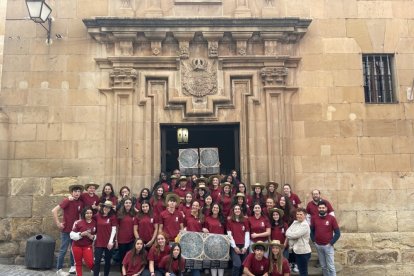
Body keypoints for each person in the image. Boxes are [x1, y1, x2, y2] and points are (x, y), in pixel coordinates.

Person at [52, 184, 84, 275]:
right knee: (63, 250)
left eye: (78, 191)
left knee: (73, 249)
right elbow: (54, 210)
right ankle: (59, 269)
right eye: (75, 191)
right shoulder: (67, 201)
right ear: (71, 193)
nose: (77, 193)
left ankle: (72, 267)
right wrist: (58, 223)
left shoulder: (80, 203)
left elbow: (80, 216)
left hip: (75, 231)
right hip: (66, 230)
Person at [310, 201, 340, 276]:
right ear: (318, 208)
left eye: (323, 208)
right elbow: (311, 231)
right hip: (318, 246)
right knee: (323, 266)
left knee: (331, 267)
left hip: (328, 246)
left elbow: (338, 233)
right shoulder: (314, 218)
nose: (321, 209)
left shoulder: (331, 218)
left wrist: (330, 243)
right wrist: (314, 242)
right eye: (320, 208)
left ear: (326, 208)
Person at [93, 200, 118, 276]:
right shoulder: (97, 216)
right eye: (105, 207)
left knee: (107, 261)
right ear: (102, 207)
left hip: (108, 242)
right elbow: (91, 223)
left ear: (110, 209)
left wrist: (111, 242)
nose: (106, 208)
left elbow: (114, 229)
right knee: (97, 261)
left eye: (109, 207)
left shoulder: (112, 217)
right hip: (99, 242)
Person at [70, 206, 96, 276]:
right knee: (78, 263)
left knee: (90, 262)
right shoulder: (78, 222)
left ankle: (96, 272)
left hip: (87, 246)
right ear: (84, 214)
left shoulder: (95, 223)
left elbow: (97, 235)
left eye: (90, 213)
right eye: (87, 213)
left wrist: (93, 237)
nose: (89, 215)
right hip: (76, 246)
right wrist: (81, 234)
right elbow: (71, 235)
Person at [286, 208, 311, 276]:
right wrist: (292, 235)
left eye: (301, 214)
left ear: (305, 215)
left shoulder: (305, 225)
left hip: (303, 252)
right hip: (295, 250)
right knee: (300, 271)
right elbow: (287, 232)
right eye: (297, 214)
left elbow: (296, 235)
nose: (299, 216)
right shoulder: (295, 222)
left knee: (303, 272)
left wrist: (292, 235)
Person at [203, 203, 226, 276]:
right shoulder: (207, 218)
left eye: (217, 208)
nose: (215, 209)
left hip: (221, 243)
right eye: (214, 207)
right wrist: (203, 229)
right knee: (213, 262)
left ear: (219, 210)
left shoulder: (222, 219)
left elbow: (226, 232)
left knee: (221, 261)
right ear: (211, 209)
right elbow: (205, 229)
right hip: (211, 243)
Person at [227, 205, 250, 276]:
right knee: (237, 264)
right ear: (233, 211)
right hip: (234, 246)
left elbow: (247, 234)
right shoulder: (230, 221)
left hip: (243, 245)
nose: (237, 210)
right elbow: (229, 235)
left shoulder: (245, 220)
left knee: (243, 265)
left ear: (241, 211)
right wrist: (234, 247)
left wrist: (246, 247)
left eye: (238, 209)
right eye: (235, 209)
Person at [116, 197, 138, 269]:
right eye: (126, 203)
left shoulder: (134, 214)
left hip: (131, 240)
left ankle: (129, 272)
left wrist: (135, 209)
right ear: (124, 204)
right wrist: (116, 240)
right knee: (122, 257)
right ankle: (122, 272)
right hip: (121, 239)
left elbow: (141, 213)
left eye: (129, 203)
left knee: (130, 257)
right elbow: (116, 227)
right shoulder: (119, 213)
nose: (128, 204)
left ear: (132, 204)